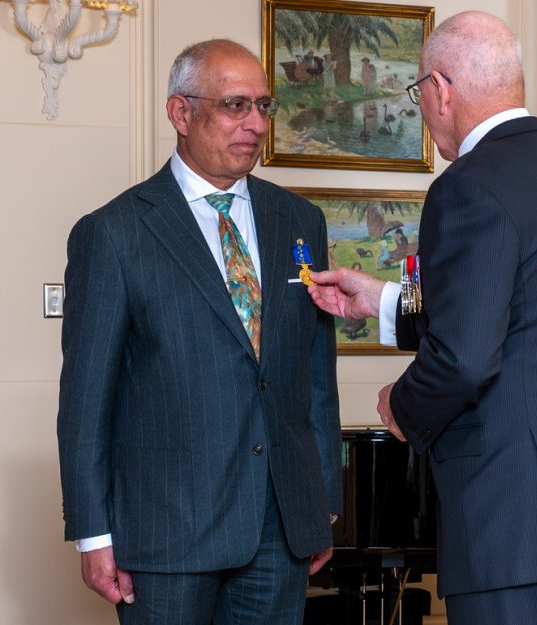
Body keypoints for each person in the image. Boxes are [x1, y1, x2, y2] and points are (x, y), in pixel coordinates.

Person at [308, 11, 537, 625]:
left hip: (513, 518)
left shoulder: (468, 186)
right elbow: (530, 315)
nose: (423, 108)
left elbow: (465, 360)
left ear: (441, 88)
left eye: (418, 94)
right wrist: (384, 300)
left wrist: (403, 404)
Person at [57, 39, 341, 625]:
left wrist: (323, 508)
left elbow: (313, 378)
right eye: (236, 106)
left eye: (264, 106)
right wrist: (92, 534)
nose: (256, 124)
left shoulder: (299, 221)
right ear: (181, 113)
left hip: (279, 531)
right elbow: (86, 403)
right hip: (164, 536)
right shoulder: (114, 234)